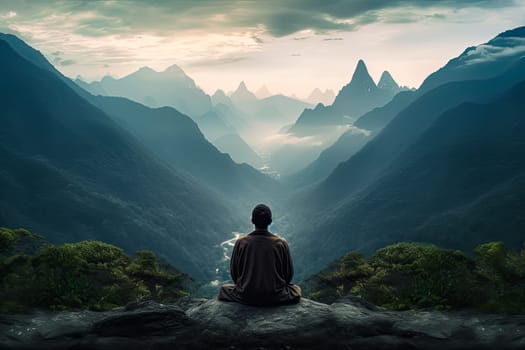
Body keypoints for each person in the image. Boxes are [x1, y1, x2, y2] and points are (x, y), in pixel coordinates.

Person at [218, 204, 301, 306]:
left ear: (252, 221)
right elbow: (288, 275)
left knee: (224, 289)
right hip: (275, 295)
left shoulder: (241, 242)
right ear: (270, 221)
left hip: (246, 295)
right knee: (296, 289)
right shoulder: (280, 243)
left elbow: (235, 273)